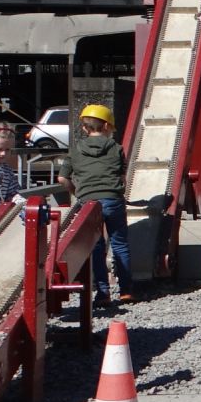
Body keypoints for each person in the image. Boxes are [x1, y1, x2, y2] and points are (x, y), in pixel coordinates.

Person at [58, 103, 132, 308]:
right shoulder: (117, 149)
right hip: (113, 200)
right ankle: (126, 291)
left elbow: (62, 179)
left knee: (96, 247)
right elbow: (122, 178)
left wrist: (78, 193)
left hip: (88, 203)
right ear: (107, 126)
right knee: (120, 245)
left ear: (84, 127)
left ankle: (103, 293)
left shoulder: (75, 150)